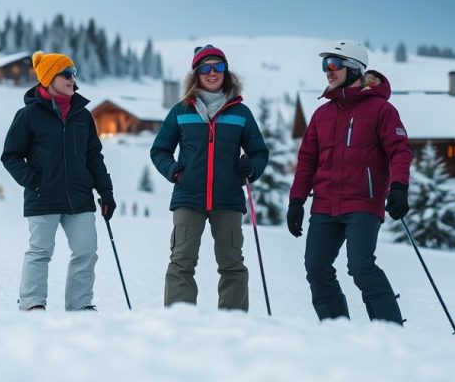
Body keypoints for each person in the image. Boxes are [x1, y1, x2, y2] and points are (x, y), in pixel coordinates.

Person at [286, 39, 413, 325]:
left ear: (354, 69)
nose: (327, 72)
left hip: (363, 202)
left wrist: (399, 187)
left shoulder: (381, 110)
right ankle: (336, 331)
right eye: (324, 66)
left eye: (333, 65)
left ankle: (389, 330)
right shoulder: (322, 114)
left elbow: (400, 151)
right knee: (316, 268)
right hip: (325, 205)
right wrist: (296, 200)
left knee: (360, 266)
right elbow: (306, 160)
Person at [151, 45, 269, 311]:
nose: (212, 72)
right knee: (181, 261)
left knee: (232, 264)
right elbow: (159, 150)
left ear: (226, 72)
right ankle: (181, 320)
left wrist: (253, 166)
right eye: (206, 68)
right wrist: (175, 171)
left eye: (218, 67)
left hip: (228, 198)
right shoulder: (181, 111)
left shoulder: (241, 113)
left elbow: (259, 152)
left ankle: (232, 320)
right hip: (188, 196)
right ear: (197, 73)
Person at [1, 51, 116, 311]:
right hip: (43, 196)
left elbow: (94, 157)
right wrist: (35, 181)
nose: (72, 78)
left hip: (80, 197)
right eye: (66, 73)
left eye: (73, 73)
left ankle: (80, 307)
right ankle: (32, 303)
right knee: (40, 251)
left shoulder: (82, 116)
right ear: (48, 77)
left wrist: (106, 193)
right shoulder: (28, 115)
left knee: (86, 251)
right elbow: (10, 156)